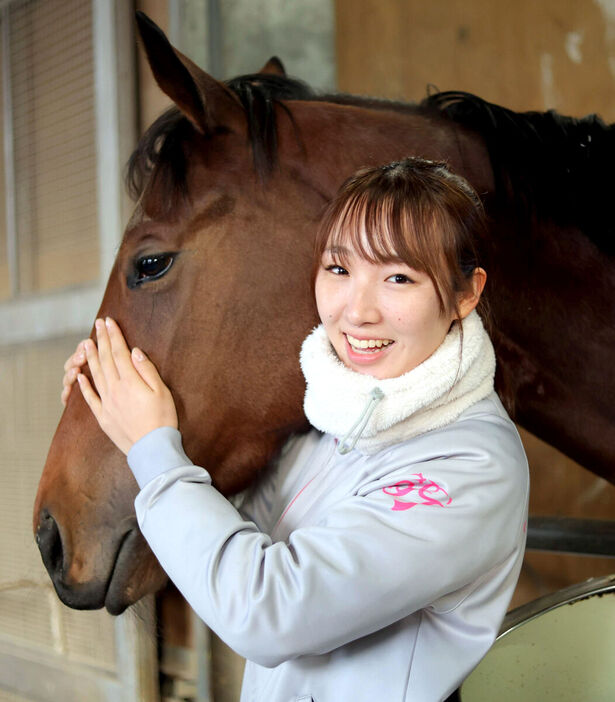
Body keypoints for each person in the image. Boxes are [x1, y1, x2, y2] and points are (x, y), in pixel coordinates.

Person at [62, 157, 529, 702]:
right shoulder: (335, 418)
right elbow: (227, 546)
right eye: (338, 270)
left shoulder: (471, 465)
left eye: (398, 278)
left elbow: (267, 611)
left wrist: (152, 445)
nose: (357, 312)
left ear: (465, 294)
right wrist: (119, 414)